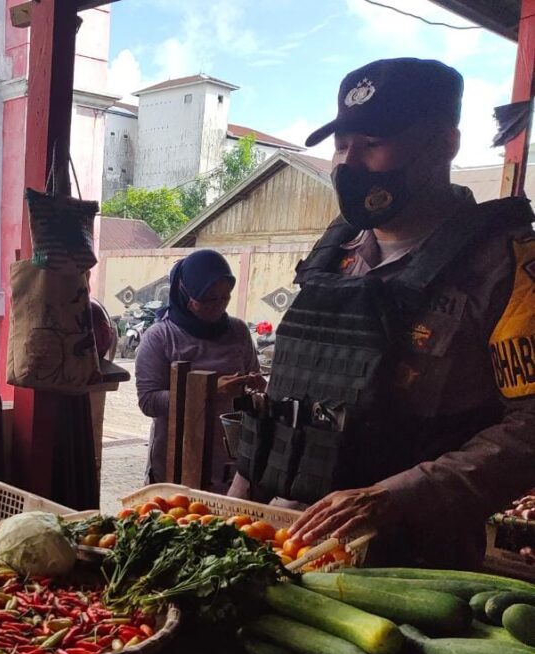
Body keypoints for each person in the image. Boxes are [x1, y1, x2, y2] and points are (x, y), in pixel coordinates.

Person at [229, 58, 535, 568]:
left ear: (444, 144)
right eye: (342, 145)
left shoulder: (506, 266)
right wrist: (238, 502)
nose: (349, 163)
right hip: (288, 540)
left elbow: (529, 429)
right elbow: (291, 395)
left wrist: (396, 497)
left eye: (372, 144)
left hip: (415, 563)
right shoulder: (336, 254)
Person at [135, 249, 265, 487]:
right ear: (185, 293)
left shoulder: (238, 331)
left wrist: (255, 388)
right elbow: (149, 401)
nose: (217, 306)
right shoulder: (161, 337)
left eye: (224, 298)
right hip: (177, 457)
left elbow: (252, 389)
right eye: (207, 299)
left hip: (230, 456)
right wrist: (208, 390)